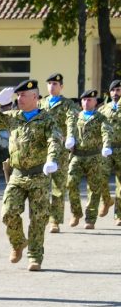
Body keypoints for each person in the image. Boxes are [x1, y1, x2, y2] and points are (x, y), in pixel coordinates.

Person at [0, 80, 61, 271]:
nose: (20, 99)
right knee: (8, 213)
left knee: (38, 218)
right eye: (18, 95)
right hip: (17, 175)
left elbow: (54, 139)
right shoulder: (12, 117)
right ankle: (18, 243)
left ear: (35, 97)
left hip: (38, 175)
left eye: (24, 95)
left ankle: (34, 256)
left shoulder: (46, 119)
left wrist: (51, 159)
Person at [64, 89, 112, 230]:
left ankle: (90, 219)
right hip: (77, 155)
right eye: (84, 100)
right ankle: (76, 213)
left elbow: (106, 132)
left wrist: (106, 145)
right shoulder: (76, 116)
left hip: (94, 156)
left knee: (94, 188)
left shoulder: (101, 118)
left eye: (89, 100)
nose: (86, 102)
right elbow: (70, 129)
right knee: (71, 183)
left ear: (95, 102)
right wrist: (70, 138)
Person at [41, 73, 76, 232]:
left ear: (61, 86)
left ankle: (55, 220)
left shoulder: (67, 104)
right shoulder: (40, 103)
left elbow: (71, 120)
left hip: (60, 150)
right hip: (42, 150)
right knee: (40, 186)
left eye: (55, 83)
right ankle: (41, 217)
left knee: (58, 185)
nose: (52, 86)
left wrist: (70, 136)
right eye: (50, 83)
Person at [99, 80, 121, 226]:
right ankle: (106, 200)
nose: (115, 93)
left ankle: (119, 215)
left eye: (118, 90)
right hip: (106, 149)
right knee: (100, 177)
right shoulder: (103, 109)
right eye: (113, 90)